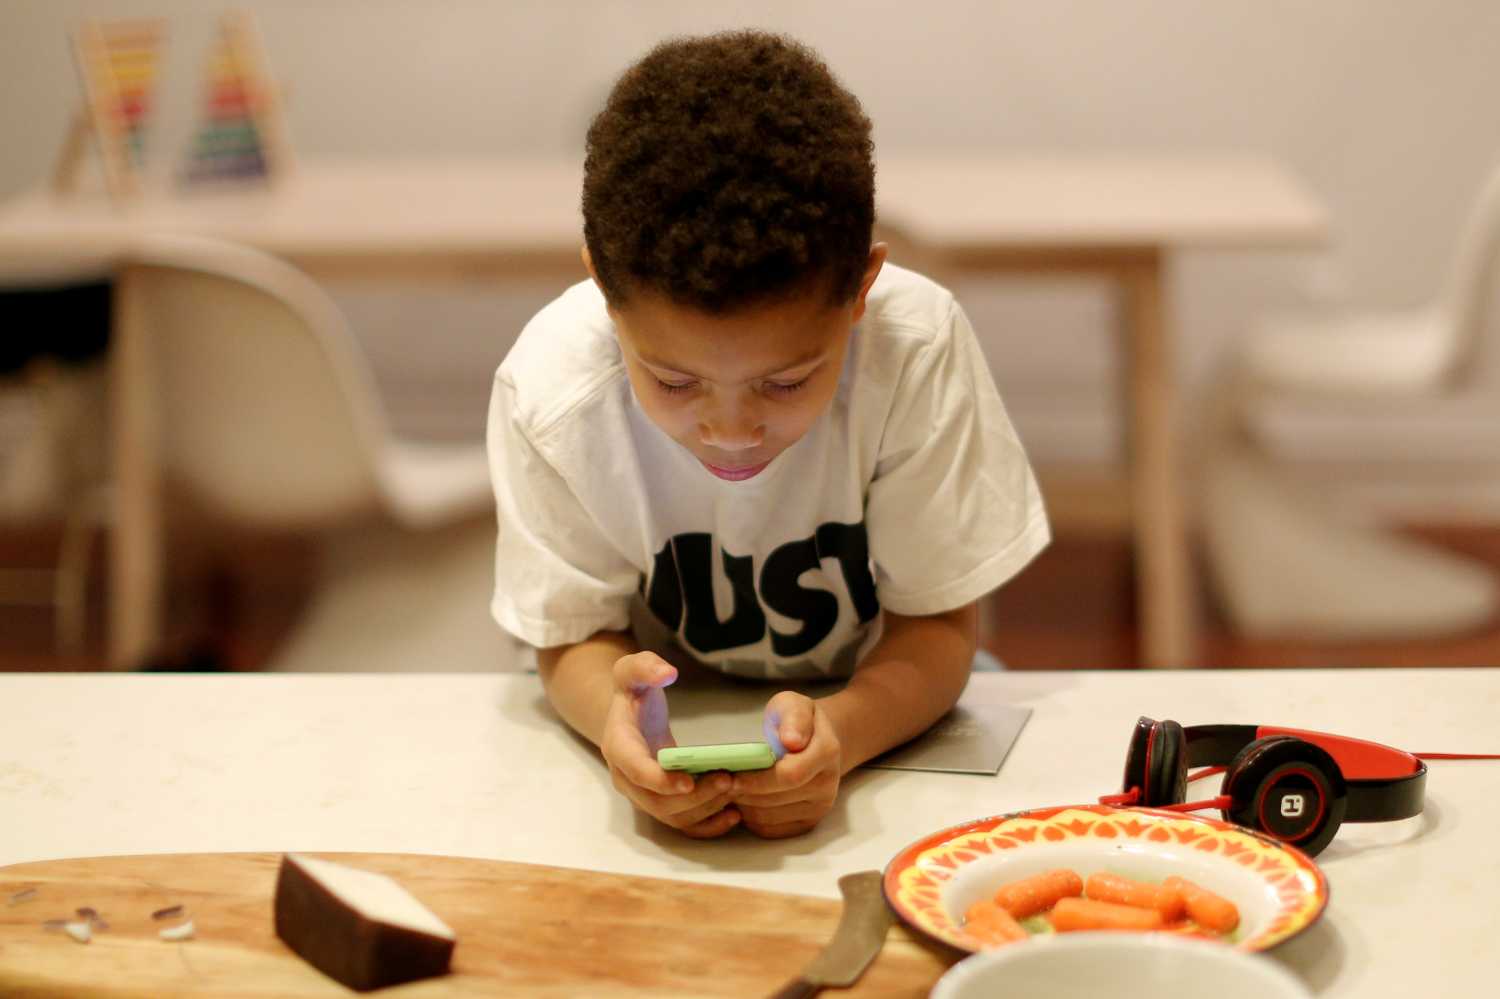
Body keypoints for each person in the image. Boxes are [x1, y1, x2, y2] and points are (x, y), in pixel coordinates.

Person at [487, 30, 1049, 840]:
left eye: (786, 382)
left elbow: (938, 628)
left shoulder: (913, 351)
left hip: (884, 699)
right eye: (673, 381)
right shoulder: (551, 391)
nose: (732, 428)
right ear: (605, 296)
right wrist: (614, 713)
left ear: (861, 289)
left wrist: (845, 731)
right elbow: (571, 640)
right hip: (676, 720)